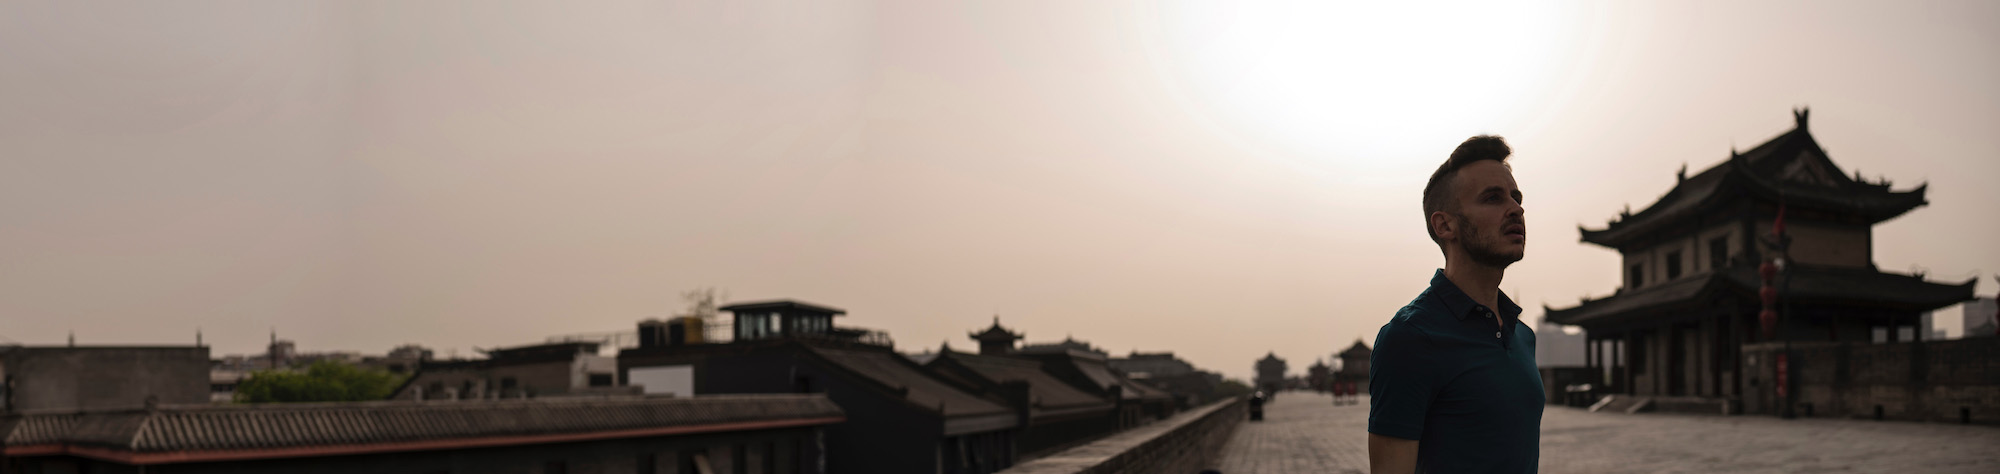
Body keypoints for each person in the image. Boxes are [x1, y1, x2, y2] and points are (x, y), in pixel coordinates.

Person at [1368, 136, 1544, 473]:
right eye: (1493, 198)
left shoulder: (1522, 335)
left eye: (1516, 198)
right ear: (1445, 225)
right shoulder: (1411, 337)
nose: (1516, 209)